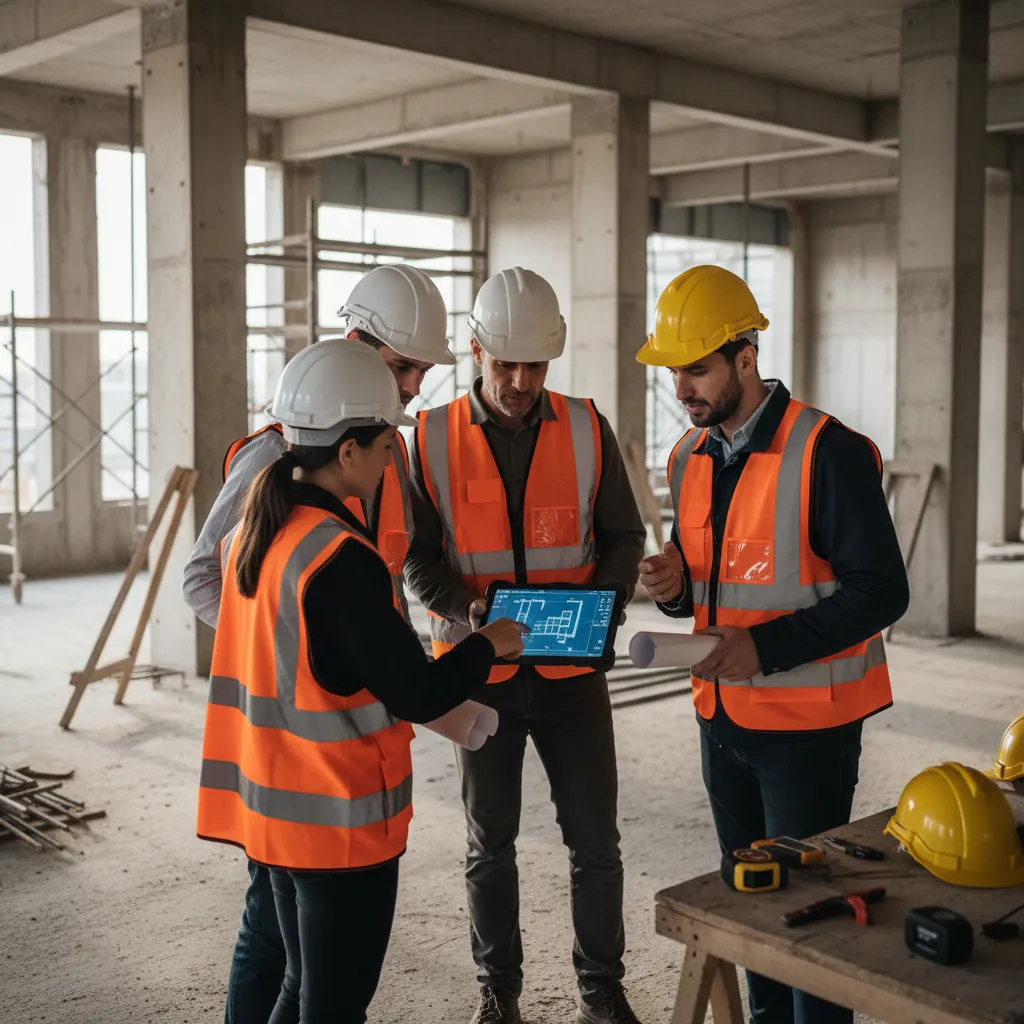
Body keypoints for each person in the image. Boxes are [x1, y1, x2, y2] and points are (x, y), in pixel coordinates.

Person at [196, 338, 527, 1024]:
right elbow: (415, 692)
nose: (389, 462)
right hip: (338, 825)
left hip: (277, 814)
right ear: (348, 451)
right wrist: (487, 645)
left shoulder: (261, 535)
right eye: (384, 447)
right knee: (334, 1005)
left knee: (300, 988)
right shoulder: (340, 558)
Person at [182, 263, 455, 1024]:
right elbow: (206, 579)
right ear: (357, 345)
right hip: (292, 760)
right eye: (403, 367)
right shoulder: (275, 456)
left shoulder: (386, 451)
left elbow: (389, 575)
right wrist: (296, 658)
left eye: (422, 371)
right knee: (272, 935)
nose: (414, 388)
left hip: (353, 745)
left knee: (304, 969)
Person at [636, 264, 909, 1024]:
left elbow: (882, 591)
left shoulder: (827, 451)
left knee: (810, 927)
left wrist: (763, 648)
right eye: (672, 372)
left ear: (746, 358)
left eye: (696, 370)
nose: (681, 389)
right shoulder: (687, 457)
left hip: (808, 732)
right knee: (751, 909)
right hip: (719, 720)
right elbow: (715, 581)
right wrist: (676, 587)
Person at [404, 267, 648, 1024]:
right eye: (506, 363)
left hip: (572, 674)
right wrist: (475, 612)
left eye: (535, 366)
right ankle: (499, 992)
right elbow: (417, 559)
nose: (520, 382)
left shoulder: (586, 427)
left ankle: (601, 990)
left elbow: (624, 536)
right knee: (490, 843)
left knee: (595, 842)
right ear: (476, 350)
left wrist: (600, 606)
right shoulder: (429, 438)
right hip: (480, 673)